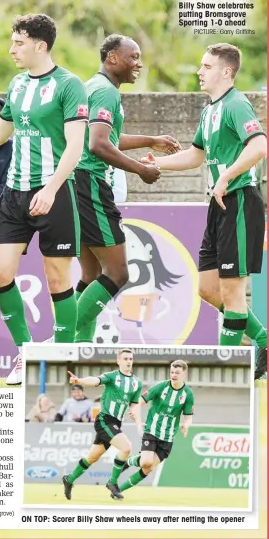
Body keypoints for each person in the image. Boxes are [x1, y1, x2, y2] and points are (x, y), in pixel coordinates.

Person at [0, 14, 88, 386]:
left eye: (18, 43)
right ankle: (25, 354)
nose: (11, 49)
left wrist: (52, 188)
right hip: (14, 193)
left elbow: (76, 146)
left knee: (59, 279)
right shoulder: (17, 84)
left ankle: (60, 358)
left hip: (54, 191)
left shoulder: (69, 85)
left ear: (40, 46)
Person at [142, 43, 267, 379]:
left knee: (232, 291)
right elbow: (196, 156)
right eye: (201, 65)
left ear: (226, 72)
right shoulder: (209, 109)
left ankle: (225, 368)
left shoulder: (237, 104)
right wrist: (157, 163)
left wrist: (227, 175)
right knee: (208, 289)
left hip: (239, 200)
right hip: (219, 203)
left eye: (207, 66)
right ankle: (262, 337)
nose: (200, 71)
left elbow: (260, 145)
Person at [74, 34, 182, 345]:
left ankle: (75, 353)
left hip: (75, 183)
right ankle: (59, 338)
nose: (139, 63)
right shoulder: (105, 92)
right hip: (89, 183)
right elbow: (97, 145)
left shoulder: (93, 87)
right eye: (132, 57)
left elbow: (103, 137)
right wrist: (140, 169)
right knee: (119, 273)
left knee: (91, 276)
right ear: (112, 59)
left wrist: (150, 140)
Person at [62, 349, 143, 501]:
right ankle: (112, 483)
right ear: (118, 361)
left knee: (92, 458)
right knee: (126, 447)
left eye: (130, 358)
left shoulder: (136, 383)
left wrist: (135, 415)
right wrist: (79, 381)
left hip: (116, 423)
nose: (128, 361)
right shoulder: (112, 376)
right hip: (105, 419)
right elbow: (96, 380)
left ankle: (69, 479)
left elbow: (134, 404)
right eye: (125, 358)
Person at [113, 360, 194, 499]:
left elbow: (188, 417)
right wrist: (135, 411)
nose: (174, 375)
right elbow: (140, 401)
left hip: (168, 437)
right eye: (172, 372)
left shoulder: (188, 393)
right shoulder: (161, 387)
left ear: (184, 374)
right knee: (145, 462)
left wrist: (186, 425)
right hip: (152, 431)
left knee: (148, 468)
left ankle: (118, 490)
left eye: (177, 373)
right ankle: (128, 462)